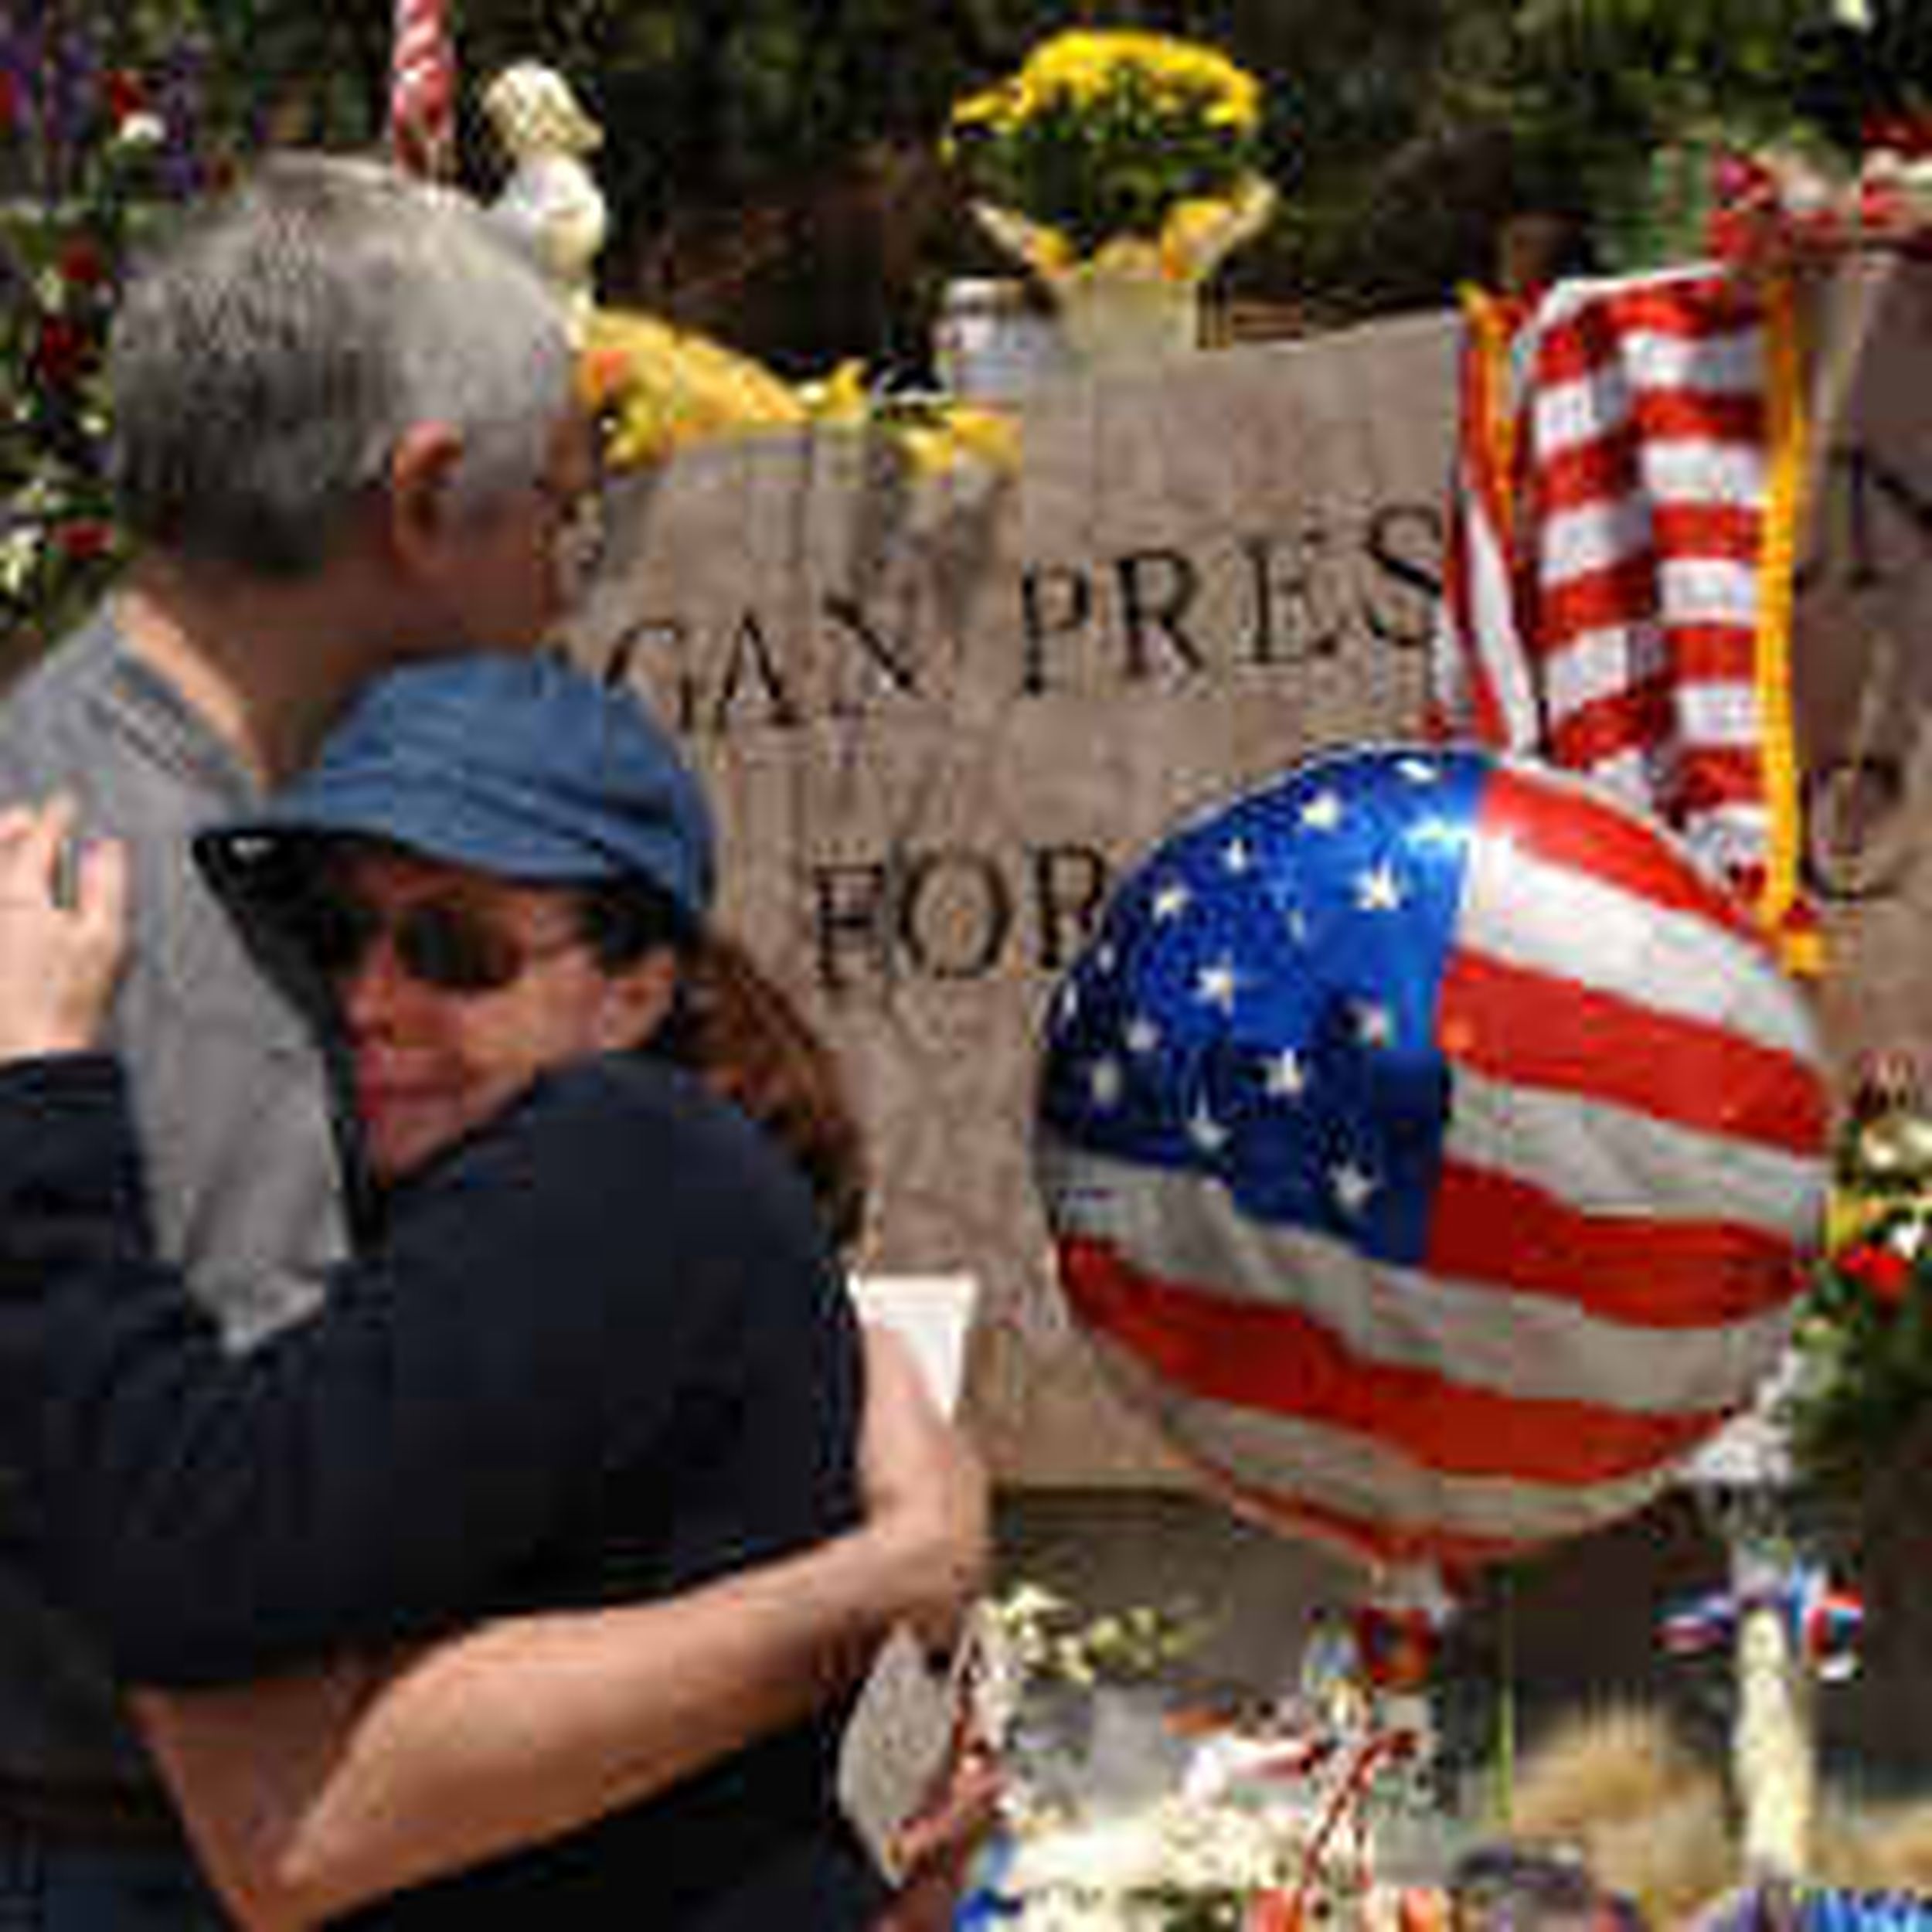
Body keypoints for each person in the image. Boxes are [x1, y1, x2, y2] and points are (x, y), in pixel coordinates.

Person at [0, 150, 985, 1927]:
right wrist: (873, 1578)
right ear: (427, 495)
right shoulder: (149, 921)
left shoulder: (61, 787)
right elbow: (280, 1774)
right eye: (560, 511)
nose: (564, 586)